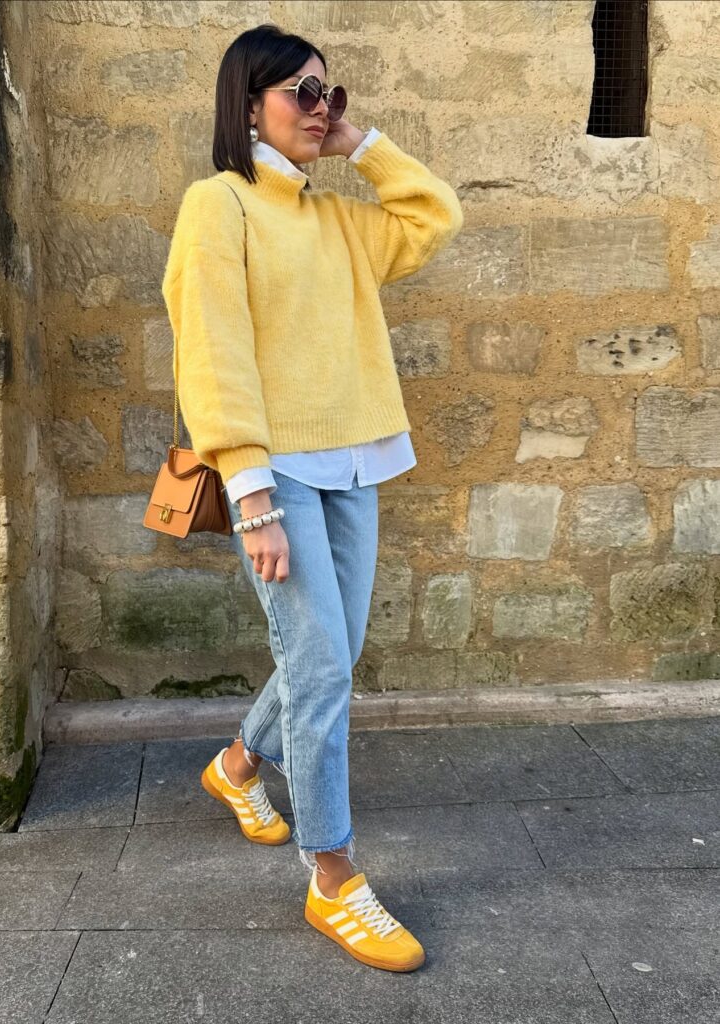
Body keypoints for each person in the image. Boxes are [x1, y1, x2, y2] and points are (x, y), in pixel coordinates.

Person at [161, 23, 464, 972]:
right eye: (300, 92)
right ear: (249, 103)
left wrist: (360, 148)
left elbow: (434, 219)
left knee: (327, 656)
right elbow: (211, 351)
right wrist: (250, 497)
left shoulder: (339, 218)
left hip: (356, 460)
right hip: (278, 472)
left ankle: (238, 766)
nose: (319, 106)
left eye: (329, 92)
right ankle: (333, 875)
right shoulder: (220, 206)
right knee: (324, 665)